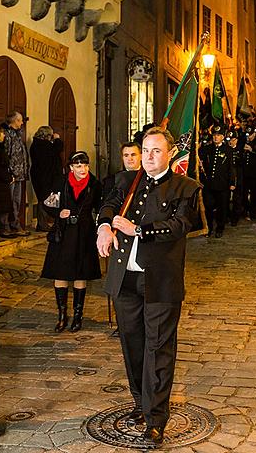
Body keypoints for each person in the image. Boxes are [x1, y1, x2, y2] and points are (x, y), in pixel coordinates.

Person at [97, 127, 201, 447]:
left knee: (158, 349)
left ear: (169, 153)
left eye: (156, 151)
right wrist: (103, 226)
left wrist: (137, 229)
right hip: (126, 280)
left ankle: (156, 418)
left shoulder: (186, 187)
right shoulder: (126, 182)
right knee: (133, 345)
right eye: (145, 150)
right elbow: (108, 207)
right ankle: (140, 404)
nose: (149, 157)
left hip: (161, 281)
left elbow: (180, 225)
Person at [41, 151, 102, 333]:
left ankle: (77, 315)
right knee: (61, 273)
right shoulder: (61, 182)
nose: (82, 169)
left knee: (79, 274)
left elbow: (101, 207)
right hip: (64, 231)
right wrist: (58, 213)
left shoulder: (94, 184)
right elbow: (47, 202)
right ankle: (61, 316)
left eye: (85, 165)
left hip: (84, 232)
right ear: (71, 168)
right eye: (78, 166)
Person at [199, 125, 236, 237]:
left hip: (222, 184)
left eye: (218, 135)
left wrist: (232, 183)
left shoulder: (228, 150)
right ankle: (209, 227)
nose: (215, 137)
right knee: (208, 206)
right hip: (209, 183)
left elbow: (231, 167)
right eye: (214, 135)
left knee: (222, 207)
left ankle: (220, 228)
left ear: (223, 137)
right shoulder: (207, 149)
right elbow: (200, 160)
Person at [29, 126, 64, 231]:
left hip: (41, 176)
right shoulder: (43, 145)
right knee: (46, 199)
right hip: (46, 177)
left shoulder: (36, 144)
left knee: (46, 198)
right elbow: (58, 148)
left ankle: (46, 223)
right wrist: (57, 139)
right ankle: (44, 223)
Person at [3, 111, 29, 236]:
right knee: (9, 200)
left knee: (17, 201)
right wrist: (9, 172)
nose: (22, 122)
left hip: (19, 173)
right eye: (20, 120)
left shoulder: (18, 134)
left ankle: (15, 224)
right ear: (14, 121)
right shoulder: (7, 134)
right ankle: (6, 226)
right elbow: (6, 154)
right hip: (11, 174)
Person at [241, 125, 256, 219]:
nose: (248, 137)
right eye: (247, 135)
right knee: (244, 194)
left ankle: (253, 212)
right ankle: (246, 209)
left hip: (255, 174)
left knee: (255, 194)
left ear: (254, 134)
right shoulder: (243, 142)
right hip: (245, 173)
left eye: (250, 135)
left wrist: (252, 150)